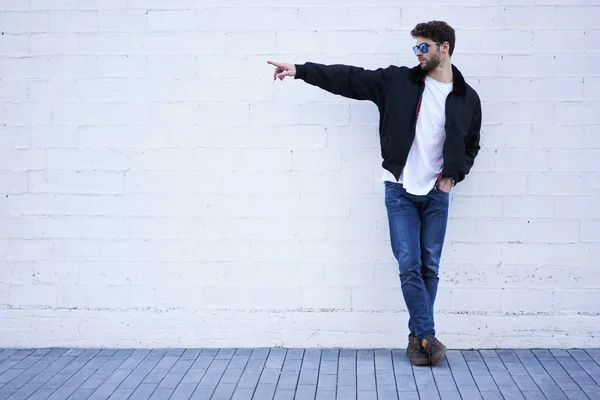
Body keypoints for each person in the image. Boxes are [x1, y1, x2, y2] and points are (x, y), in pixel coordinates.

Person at [268, 20, 481, 367]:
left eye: (423, 46)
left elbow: (472, 144)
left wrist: (453, 177)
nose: (417, 53)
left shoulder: (467, 98)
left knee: (431, 268)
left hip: (437, 194)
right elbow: (350, 78)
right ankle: (428, 336)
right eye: (415, 47)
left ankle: (418, 340)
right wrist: (301, 71)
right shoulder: (397, 81)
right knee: (410, 265)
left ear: (444, 47)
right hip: (399, 190)